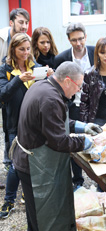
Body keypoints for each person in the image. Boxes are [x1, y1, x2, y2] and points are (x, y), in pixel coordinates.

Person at [12, 61, 102, 231]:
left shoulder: (43, 86)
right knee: (52, 215)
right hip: (35, 165)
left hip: (26, 160)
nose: (79, 91)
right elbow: (59, 142)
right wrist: (85, 142)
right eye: (79, 86)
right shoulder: (51, 98)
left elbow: (53, 122)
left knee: (36, 214)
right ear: (68, 81)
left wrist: (80, 126)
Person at [0, 33, 40, 219]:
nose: (25, 53)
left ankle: (28, 193)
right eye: (21, 49)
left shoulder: (36, 67)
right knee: (16, 163)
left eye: (27, 48)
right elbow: (3, 95)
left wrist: (49, 76)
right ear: (13, 50)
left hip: (34, 123)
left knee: (34, 160)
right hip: (15, 124)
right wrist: (18, 80)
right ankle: (8, 200)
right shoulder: (5, 70)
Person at [54, 23, 95, 190]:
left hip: (92, 105)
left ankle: (99, 178)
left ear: (86, 36)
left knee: (95, 137)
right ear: (68, 40)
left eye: (81, 39)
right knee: (73, 140)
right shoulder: (61, 58)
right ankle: (78, 180)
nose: (78, 43)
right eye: (74, 40)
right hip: (73, 106)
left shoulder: (94, 52)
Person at [0, 8, 30, 171]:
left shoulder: (27, 41)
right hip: (4, 79)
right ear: (11, 22)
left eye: (26, 23)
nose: (24, 26)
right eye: (21, 22)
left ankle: (10, 159)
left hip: (16, 84)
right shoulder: (2, 39)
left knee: (11, 117)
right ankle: (9, 158)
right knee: (7, 122)